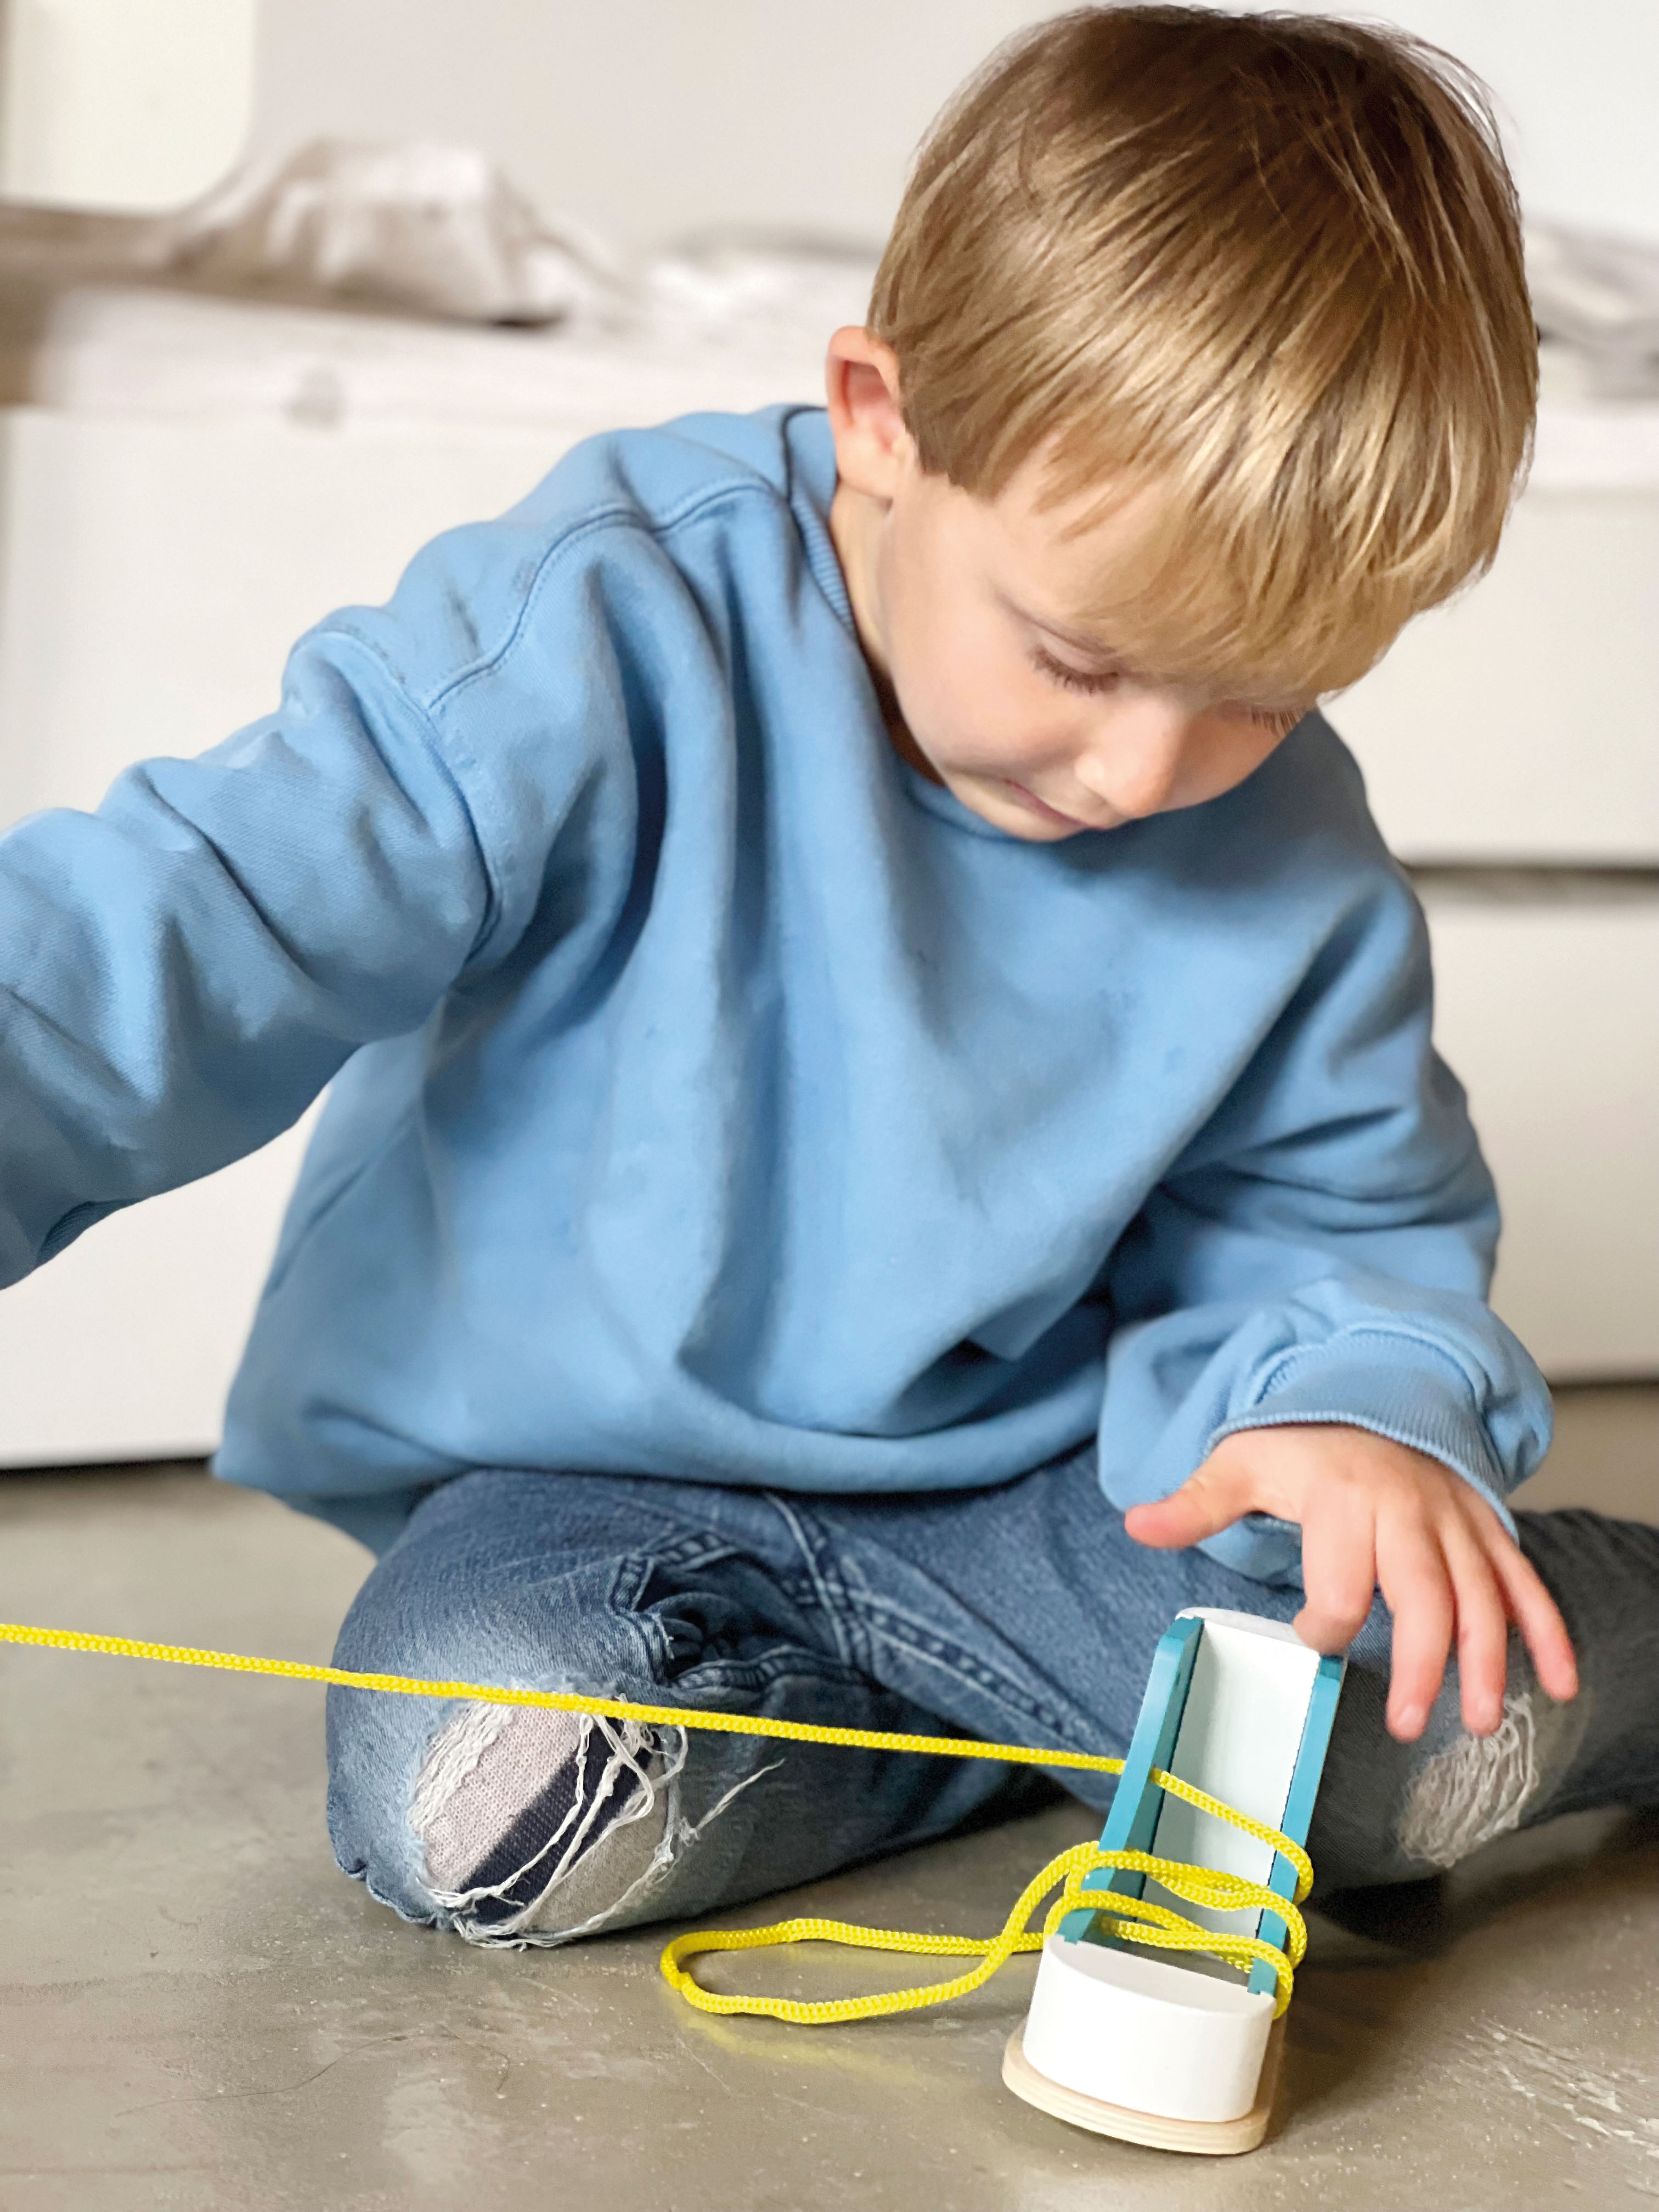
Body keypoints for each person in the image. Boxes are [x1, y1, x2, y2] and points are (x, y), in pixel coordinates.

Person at [2, 5, 1654, 1949]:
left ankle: (1565, 1641)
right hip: (573, 1499)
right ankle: (1058, 1737)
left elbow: (1329, 1222)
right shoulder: (599, 624)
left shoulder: (1285, 839)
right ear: (884, 422)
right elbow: (201, 921)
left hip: (1060, 1497)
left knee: (1389, 1716)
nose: (1144, 774)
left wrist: (1365, 1411)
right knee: (475, 1786)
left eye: (1266, 697)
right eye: (1084, 660)